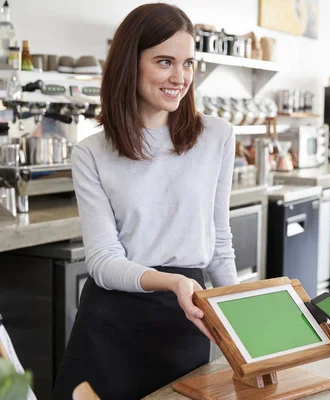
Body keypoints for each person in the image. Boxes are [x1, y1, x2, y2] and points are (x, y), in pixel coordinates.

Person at [53, 4, 238, 399]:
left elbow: (219, 241)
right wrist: (172, 282)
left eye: (188, 63)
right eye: (164, 61)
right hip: (110, 326)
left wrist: (238, 322)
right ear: (129, 64)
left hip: (185, 319)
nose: (179, 77)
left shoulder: (216, 137)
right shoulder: (91, 152)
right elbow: (102, 261)